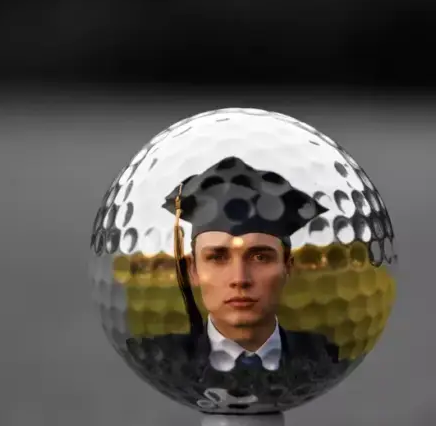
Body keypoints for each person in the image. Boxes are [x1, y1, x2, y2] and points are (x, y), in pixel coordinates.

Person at [125, 155, 343, 406]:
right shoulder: (155, 360)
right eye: (217, 257)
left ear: (288, 267)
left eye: (260, 256)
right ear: (192, 270)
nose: (240, 279)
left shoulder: (327, 359)